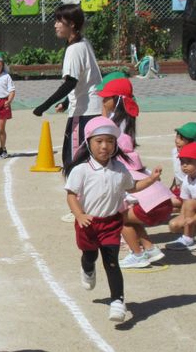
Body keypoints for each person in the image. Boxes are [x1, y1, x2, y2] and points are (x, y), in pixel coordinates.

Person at [64, 117, 163, 323]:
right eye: (99, 141)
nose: (104, 146)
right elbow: (71, 195)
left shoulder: (120, 168)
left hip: (111, 223)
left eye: (110, 141)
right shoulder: (81, 170)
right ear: (89, 142)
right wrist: (79, 215)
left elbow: (132, 187)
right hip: (88, 224)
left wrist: (151, 180)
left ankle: (117, 301)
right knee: (89, 255)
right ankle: (87, 267)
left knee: (111, 262)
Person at [32, 4, 103, 169]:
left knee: (73, 162)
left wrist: (43, 106)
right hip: (91, 108)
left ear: (72, 24)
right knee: (85, 161)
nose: (55, 25)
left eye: (59, 21)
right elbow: (83, 80)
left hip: (85, 111)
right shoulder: (84, 43)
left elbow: (71, 82)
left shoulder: (74, 49)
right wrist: (65, 102)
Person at [116, 133, 171, 268]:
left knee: (120, 219)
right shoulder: (138, 163)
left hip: (152, 206)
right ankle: (150, 249)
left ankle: (137, 255)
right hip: (166, 203)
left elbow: (124, 196)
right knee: (130, 219)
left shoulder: (120, 168)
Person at [170, 121, 196, 211]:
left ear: (194, 143)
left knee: (163, 202)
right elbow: (177, 172)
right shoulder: (175, 151)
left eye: (182, 138)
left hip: (192, 194)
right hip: (179, 190)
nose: (177, 141)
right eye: (177, 136)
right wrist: (173, 187)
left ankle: (184, 206)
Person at [100, 75, 139, 141]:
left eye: (106, 97)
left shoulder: (122, 121)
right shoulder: (113, 114)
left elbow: (103, 134)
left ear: (117, 99)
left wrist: (104, 116)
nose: (103, 100)